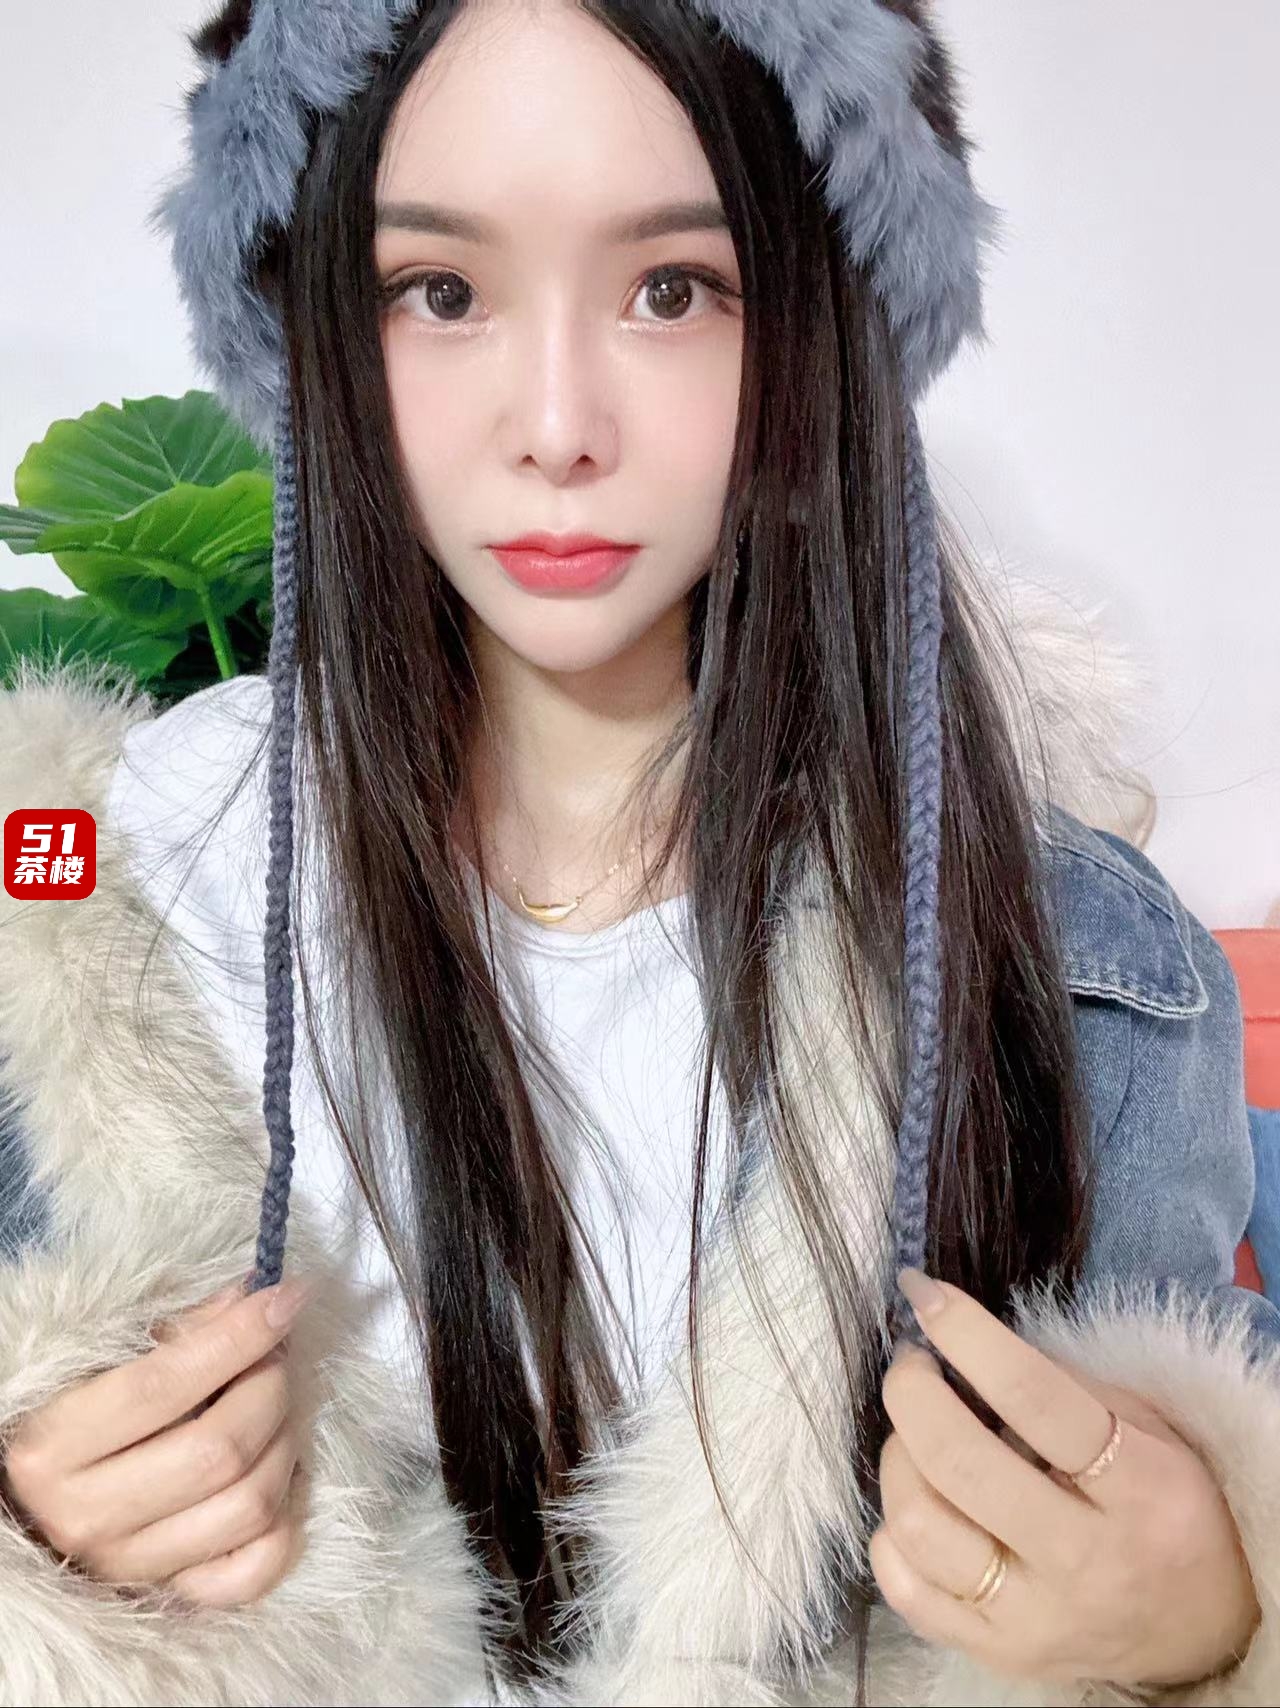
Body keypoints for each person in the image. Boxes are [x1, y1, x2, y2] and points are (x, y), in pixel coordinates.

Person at [0, 2, 1278, 1704]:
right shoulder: (98, 897)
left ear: (817, 329)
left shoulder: (1076, 967)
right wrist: (34, 1540)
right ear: (319, 332)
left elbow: (1155, 1486)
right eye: (438, 291)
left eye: (673, 289)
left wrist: (1209, 1621)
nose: (556, 424)